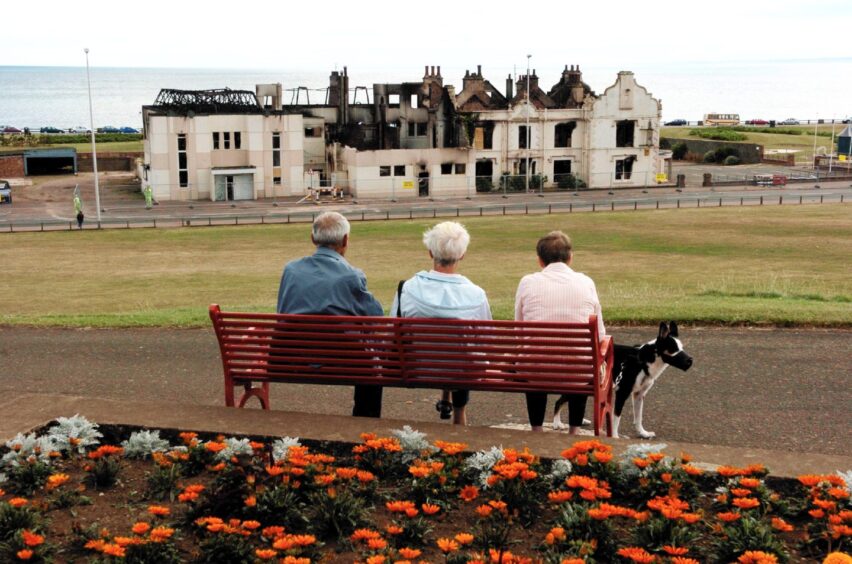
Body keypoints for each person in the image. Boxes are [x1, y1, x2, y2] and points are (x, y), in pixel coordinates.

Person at [276, 211, 385, 417]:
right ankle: (364, 427)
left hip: (291, 357)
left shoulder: (291, 270)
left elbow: (282, 312)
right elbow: (375, 318)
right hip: (342, 361)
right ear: (345, 240)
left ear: (313, 239)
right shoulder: (351, 275)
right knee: (373, 365)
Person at [391, 221, 491, 426]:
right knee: (462, 352)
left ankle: (447, 398)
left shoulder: (407, 289)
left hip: (417, 368)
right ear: (462, 255)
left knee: (450, 349)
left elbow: (393, 332)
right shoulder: (476, 294)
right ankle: (459, 412)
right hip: (460, 370)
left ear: (430, 252)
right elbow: (485, 341)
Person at [515, 230, 606, 435]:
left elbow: (519, 329)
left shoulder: (527, 282)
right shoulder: (586, 282)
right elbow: (599, 335)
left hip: (535, 371)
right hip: (579, 372)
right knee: (582, 359)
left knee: (534, 357)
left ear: (540, 261)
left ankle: (536, 428)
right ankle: (574, 430)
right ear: (570, 258)